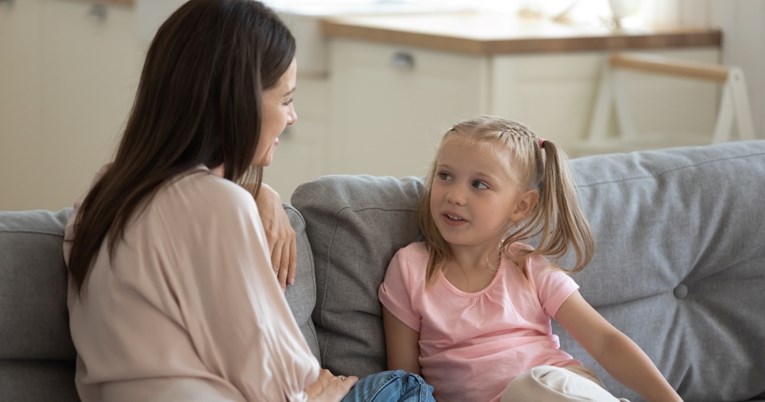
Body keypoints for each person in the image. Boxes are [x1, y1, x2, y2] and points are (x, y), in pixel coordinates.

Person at [63, 1, 434, 401]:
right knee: (405, 389)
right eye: (286, 99)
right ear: (238, 101)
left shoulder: (101, 196)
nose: (293, 118)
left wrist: (255, 190)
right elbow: (278, 378)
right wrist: (320, 391)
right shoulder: (216, 206)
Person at [378, 116, 683, 402]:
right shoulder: (409, 268)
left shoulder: (527, 266)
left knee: (532, 384)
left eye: (479, 184)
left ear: (521, 205)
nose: (455, 195)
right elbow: (405, 382)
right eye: (445, 176)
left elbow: (606, 343)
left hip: (551, 389)